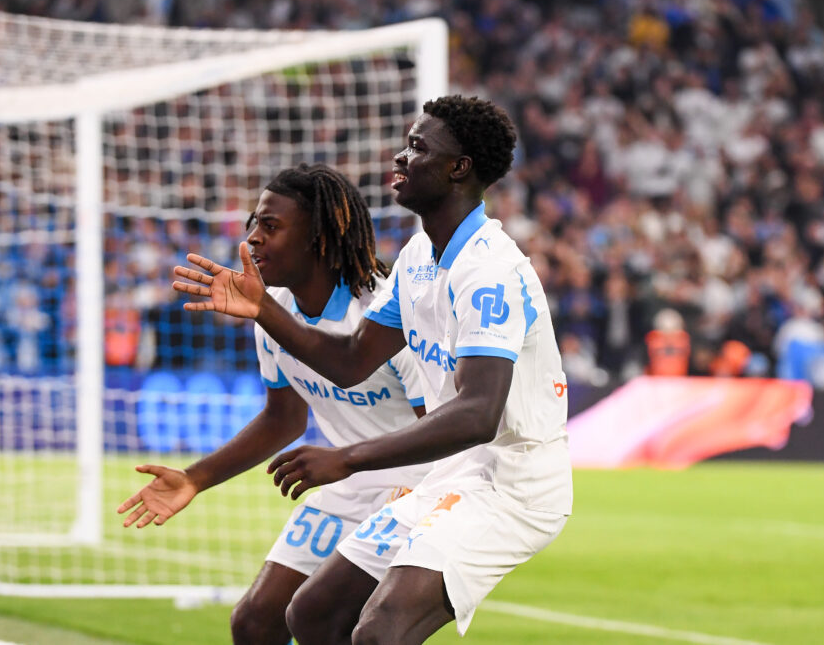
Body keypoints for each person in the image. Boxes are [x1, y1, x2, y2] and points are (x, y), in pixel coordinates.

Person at [173, 95, 572, 644]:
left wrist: (347, 458)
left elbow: (478, 414)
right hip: (453, 474)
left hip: (513, 482)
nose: (401, 157)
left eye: (418, 147)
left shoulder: (489, 271)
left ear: (458, 168)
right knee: (311, 614)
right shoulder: (419, 257)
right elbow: (351, 360)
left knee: (379, 632)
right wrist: (264, 309)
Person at [118, 163, 430, 645]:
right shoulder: (273, 308)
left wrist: (353, 462)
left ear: (318, 237)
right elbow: (283, 419)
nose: (253, 238)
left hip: (419, 487)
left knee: (320, 617)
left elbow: (441, 430)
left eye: (271, 225)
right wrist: (195, 479)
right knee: (254, 623)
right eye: (253, 224)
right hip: (348, 482)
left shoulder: (389, 312)